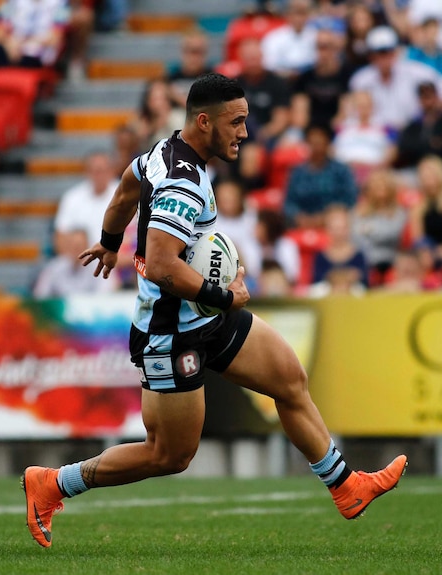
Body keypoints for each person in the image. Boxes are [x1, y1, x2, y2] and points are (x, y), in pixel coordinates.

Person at [22, 73, 407, 549]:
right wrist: (227, 296)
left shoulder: (164, 153)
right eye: (237, 122)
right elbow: (163, 265)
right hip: (171, 333)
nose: (245, 132)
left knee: (289, 379)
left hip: (204, 315)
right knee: (169, 456)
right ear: (204, 122)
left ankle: (345, 485)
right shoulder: (185, 183)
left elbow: (126, 187)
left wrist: (108, 240)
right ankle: (54, 483)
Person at [284, 123, 358, 229]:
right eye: (312, 143)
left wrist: (327, 216)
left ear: (327, 143)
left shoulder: (341, 170)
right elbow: (289, 202)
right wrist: (299, 217)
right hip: (302, 224)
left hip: (333, 224)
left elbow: (349, 199)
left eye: (319, 143)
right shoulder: (297, 172)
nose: (315, 147)